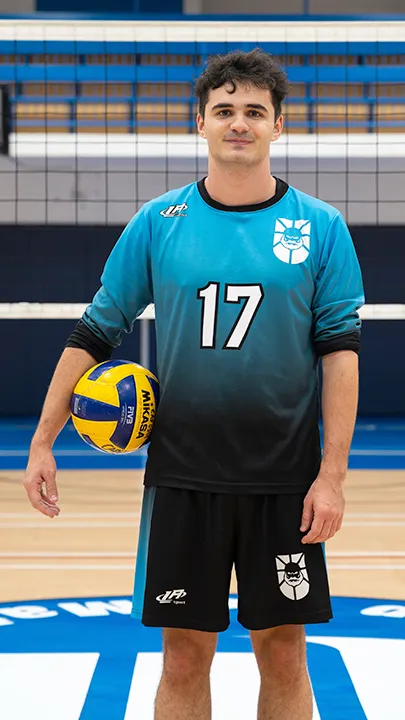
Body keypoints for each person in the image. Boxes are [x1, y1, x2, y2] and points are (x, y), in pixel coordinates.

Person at [24, 49, 364, 720]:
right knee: (181, 654)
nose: (239, 124)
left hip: (283, 481)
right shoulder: (158, 223)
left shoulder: (320, 227)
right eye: (225, 111)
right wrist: (43, 441)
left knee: (285, 648)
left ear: (277, 126)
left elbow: (340, 357)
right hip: (183, 477)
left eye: (254, 112)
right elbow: (94, 332)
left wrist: (332, 475)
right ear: (200, 123)